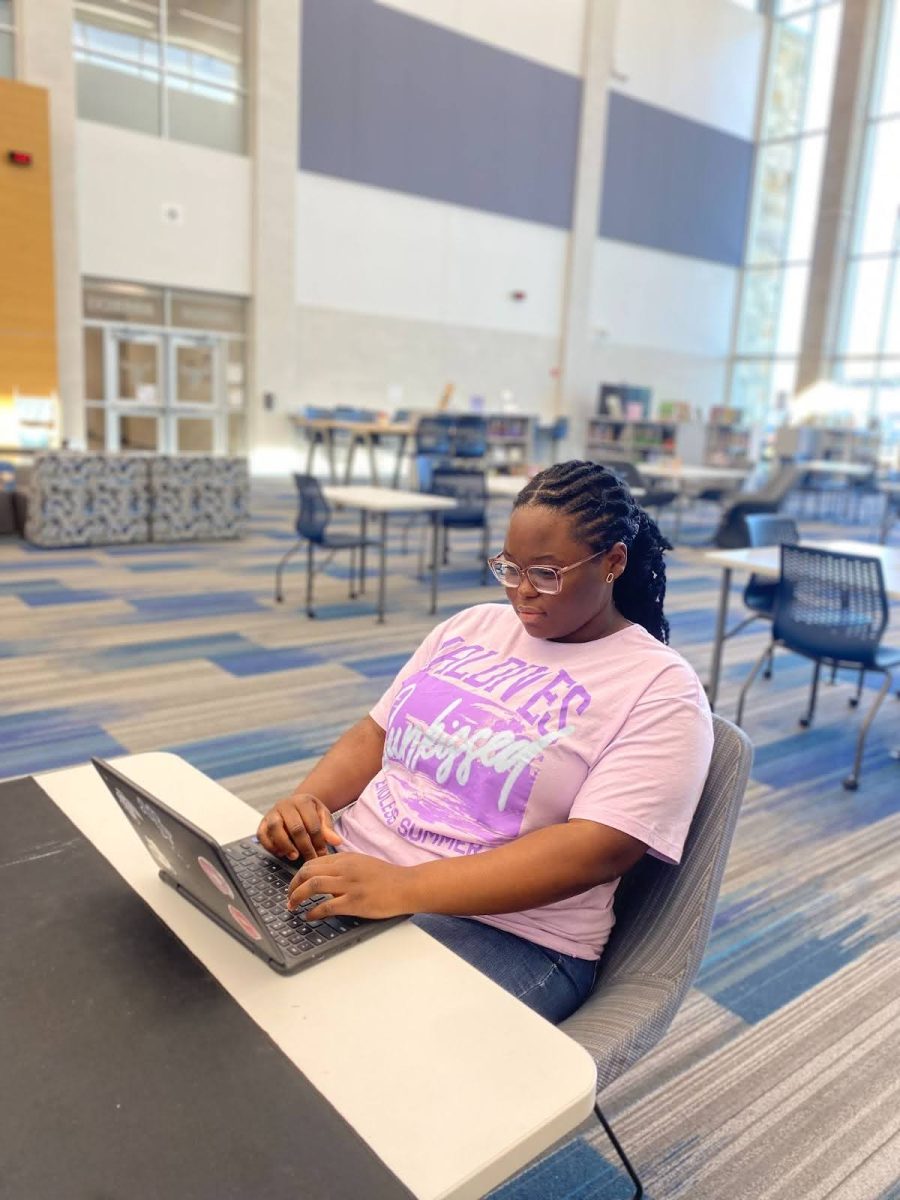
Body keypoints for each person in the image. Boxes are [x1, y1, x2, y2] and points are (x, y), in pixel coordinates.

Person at [259, 460, 714, 1023]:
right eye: (509, 569)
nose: (522, 593)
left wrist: (405, 887)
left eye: (547, 574)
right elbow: (377, 732)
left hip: (509, 931)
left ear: (614, 562)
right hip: (359, 873)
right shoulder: (470, 626)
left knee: (325, 1024)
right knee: (227, 959)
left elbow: (599, 849)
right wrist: (309, 805)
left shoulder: (660, 688)